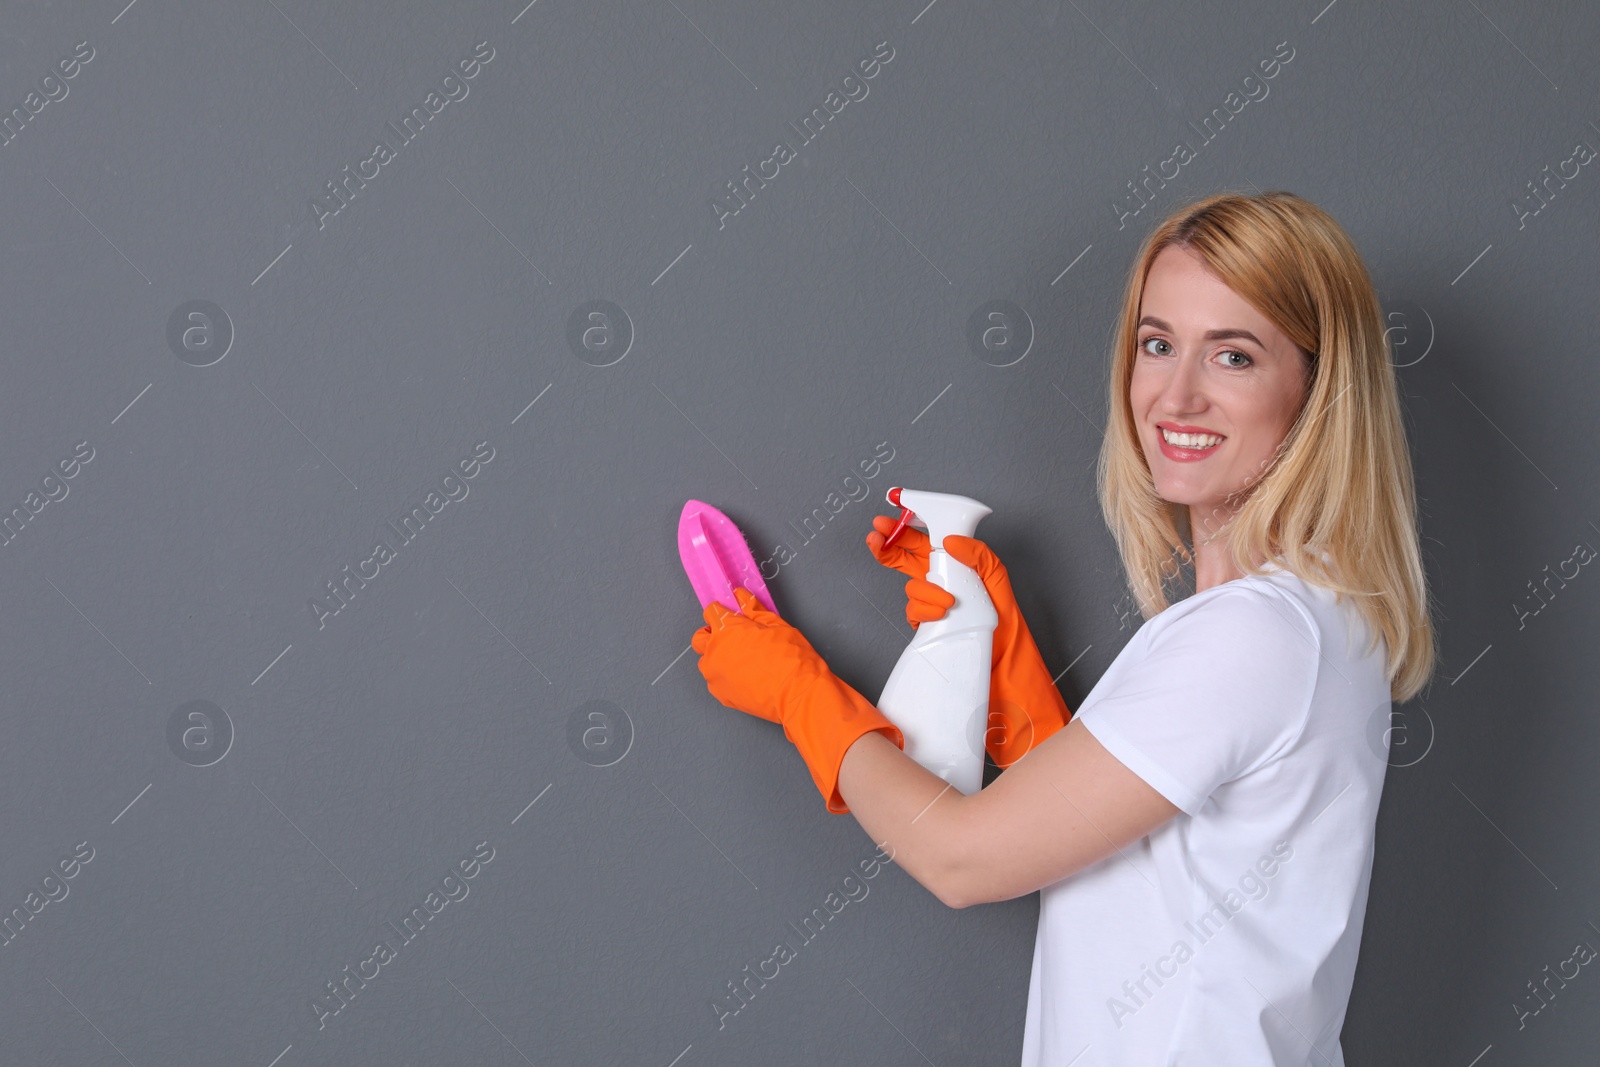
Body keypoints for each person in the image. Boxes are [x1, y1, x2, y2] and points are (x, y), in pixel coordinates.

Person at [690, 190, 1436, 1064]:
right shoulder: (1306, 622)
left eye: (1233, 355)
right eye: (1158, 344)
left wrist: (796, 691)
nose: (1177, 395)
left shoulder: (1256, 638)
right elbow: (1120, 837)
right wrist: (1005, 648)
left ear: (1316, 391)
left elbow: (964, 860)